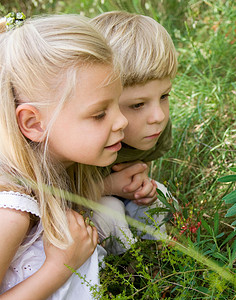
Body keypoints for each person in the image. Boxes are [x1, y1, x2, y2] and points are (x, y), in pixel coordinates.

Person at [0, 13, 128, 299]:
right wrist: (59, 268)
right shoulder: (10, 212)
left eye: (118, 104)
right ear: (34, 124)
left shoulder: (51, 167)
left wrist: (110, 186)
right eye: (99, 114)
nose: (122, 122)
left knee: (108, 207)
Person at [90, 11, 178, 254]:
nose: (158, 116)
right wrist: (105, 187)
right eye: (138, 105)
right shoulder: (82, 138)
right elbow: (48, 197)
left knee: (158, 195)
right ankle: (112, 277)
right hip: (62, 218)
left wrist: (137, 184)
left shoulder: (151, 128)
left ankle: (155, 261)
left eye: (164, 96)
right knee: (108, 211)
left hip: (110, 193)